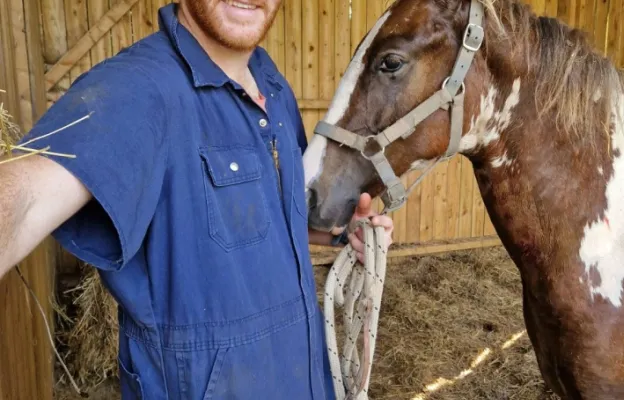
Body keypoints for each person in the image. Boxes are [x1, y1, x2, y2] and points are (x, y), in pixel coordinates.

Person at [0, 0, 394, 398]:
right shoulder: (137, 89)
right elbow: (28, 197)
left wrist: (345, 235)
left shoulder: (270, 83)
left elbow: (270, 212)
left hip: (305, 380)